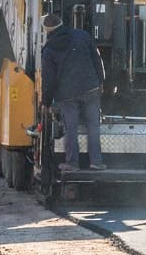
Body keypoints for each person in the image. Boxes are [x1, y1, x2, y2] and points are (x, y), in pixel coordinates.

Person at [40, 14, 106, 172]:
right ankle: (96, 162)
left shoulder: (49, 49)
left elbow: (48, 79)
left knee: (71, 129)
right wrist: (100, 82)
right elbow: (97, 61)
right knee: (93, 126)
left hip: (67, 94)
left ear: (47, 30)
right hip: (91, 88)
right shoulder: (82, 36)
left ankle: (72, 163)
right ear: (62, 23)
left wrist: (46, 102)